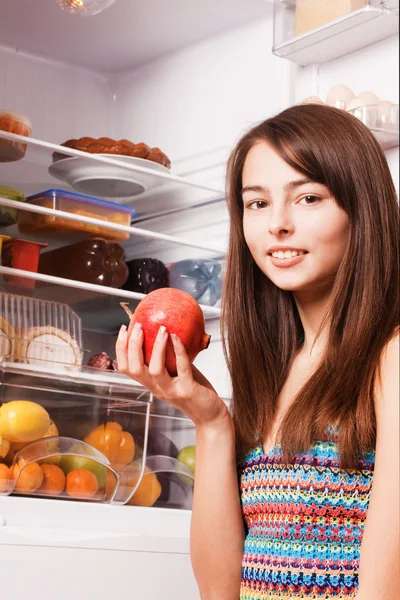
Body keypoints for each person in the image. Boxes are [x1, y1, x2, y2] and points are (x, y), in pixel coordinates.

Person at [116, 104, 399, 600]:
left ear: (363, 209)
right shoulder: (277, 369)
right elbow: (221, 590)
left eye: (308, 197)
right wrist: (210, 422)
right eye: (257, 203)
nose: (278, 225)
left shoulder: (391, 356)